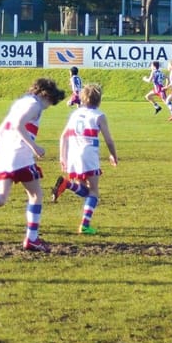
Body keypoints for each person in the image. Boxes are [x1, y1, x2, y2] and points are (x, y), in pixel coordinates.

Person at [0, 78, 66, 252]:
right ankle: (32, 239)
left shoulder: (21, 102)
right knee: (35, 195)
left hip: (5, 153)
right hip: (20, 154)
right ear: (46, 95)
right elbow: (18, 126)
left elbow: (1, 130)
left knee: (1, 199)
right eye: (51, 102)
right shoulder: (35, 105)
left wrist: (6, 147)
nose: (48, 107)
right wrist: (34, 147)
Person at [52, 83, 119, 234]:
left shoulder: (75, 114)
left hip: (73, 154)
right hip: (88, 154)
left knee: (84, 190)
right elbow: (108, 139)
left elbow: (63, 137)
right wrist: (113, 155)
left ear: (82, 98)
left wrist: (62, 157)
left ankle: (67, 185)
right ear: (99, 100)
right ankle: (85, 225)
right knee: (94, 192)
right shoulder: (99, 116)